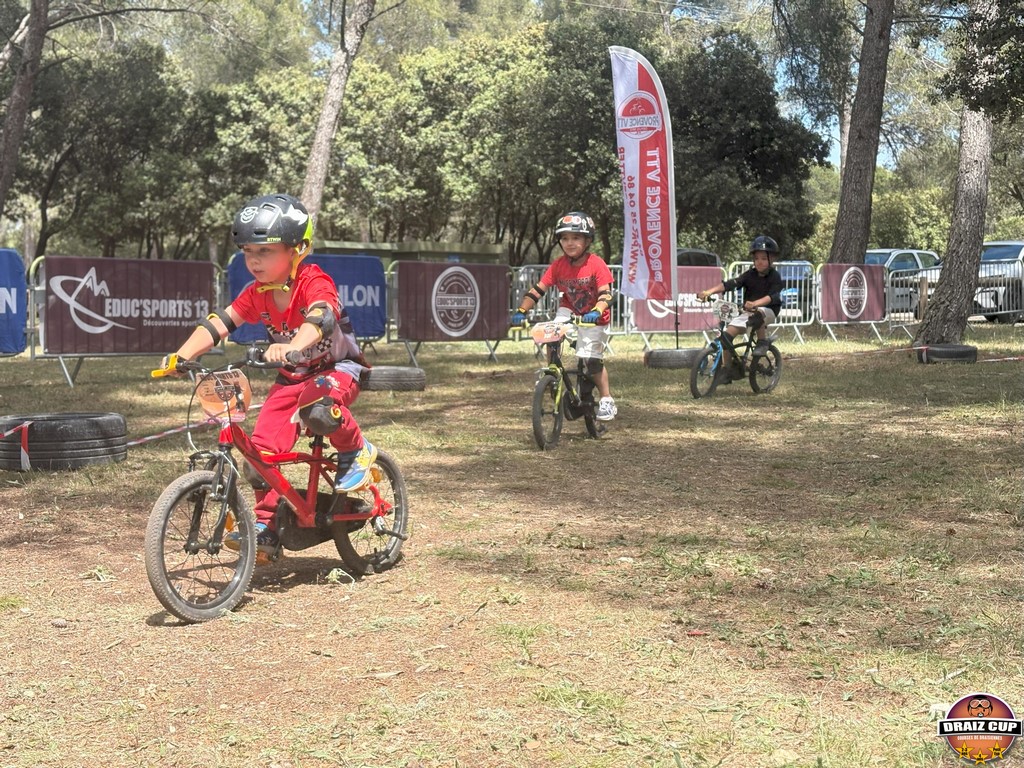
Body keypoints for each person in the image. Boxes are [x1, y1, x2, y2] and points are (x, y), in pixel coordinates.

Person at [155, 193, 373, 561]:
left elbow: (321, 316)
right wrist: (182, 355)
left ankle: (355, 449)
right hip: (293, 377)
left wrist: (293, 346)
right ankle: (267, 526)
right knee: (260, 454)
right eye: (248, 252)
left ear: (297, 249)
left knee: (319, 409)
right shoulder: (256, 293)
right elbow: (221, 323)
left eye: (265, 251)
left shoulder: (313, 281)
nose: (254, 260)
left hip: (336, 369)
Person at [512, 211, 617, 421]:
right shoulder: (558, 265)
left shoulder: (596, 264)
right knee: (551, 334)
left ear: (588, 241)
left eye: (576, 238)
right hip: (569, 310)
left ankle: (607, 399)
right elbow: (537, 290)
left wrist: (596, 311)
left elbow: (606, 294)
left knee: (591, 359)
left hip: (595, 316)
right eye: (565, 238)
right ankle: (552, 374)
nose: (569, 243)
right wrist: (522, 310)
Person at [696, 235, 783, 380]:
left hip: (768, 311)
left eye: (763, 258)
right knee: (725, 337)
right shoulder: (750, 274)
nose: (759, 262)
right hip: (748, 313)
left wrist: (755, 304)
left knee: (758, 314)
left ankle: (762, 342)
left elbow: (772, 297)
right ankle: (727, 369)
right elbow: (731, 283)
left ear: (771, 259)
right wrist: (709, 292)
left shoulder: (775, 276)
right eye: (756, 258)